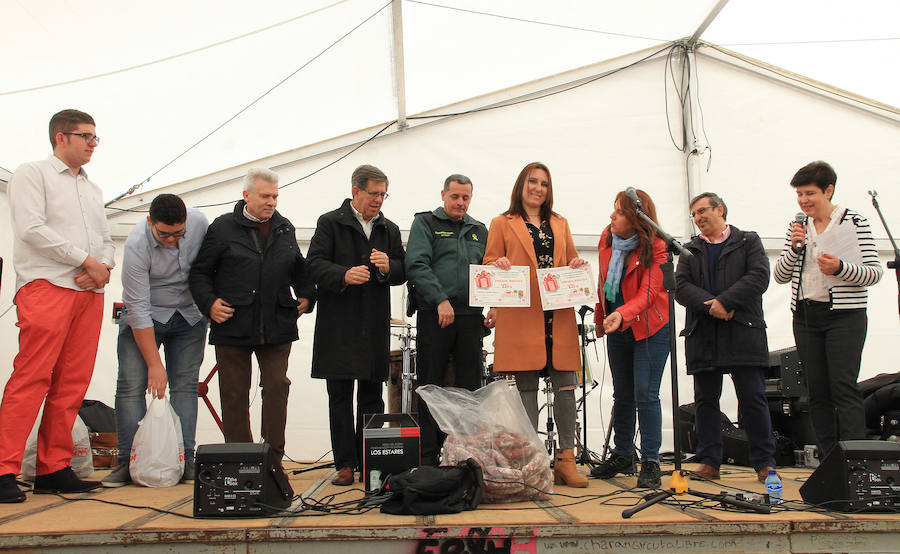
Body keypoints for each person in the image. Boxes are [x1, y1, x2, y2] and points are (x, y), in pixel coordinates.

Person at [0, 109, 114, 502]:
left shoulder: (93, 189)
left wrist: (102, 267)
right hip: (47, 285)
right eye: (86, 136)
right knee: (33, 376)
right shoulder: (32, 173)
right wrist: (85, 261)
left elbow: (106, 238)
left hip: (88, 292)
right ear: (60, 137)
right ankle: (3, 467)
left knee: (72, 381)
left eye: (96, 137)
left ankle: (53, 466)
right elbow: (31, 229)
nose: (92, 144)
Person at [189, 168, 314, 467]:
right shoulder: (221, 228)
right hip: (233, 324)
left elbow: (299, 268)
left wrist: (308, 296)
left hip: (277, 325)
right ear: (246, 196)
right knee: (233, 394)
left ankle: (272, 461)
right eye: (265, 196)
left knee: (276, 387)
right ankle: (240, 459)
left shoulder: (285, 228)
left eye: (275, 196)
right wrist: (209, 303)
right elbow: (199, 273)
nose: (271, 202)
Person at [483, 161, 588, 488]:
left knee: (566, 386)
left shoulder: (561, 223)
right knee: (526, 389)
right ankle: (533, 462)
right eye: (532, 181)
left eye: (544, 183)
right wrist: (496, 263)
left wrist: (576, 264)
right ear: (521, 185)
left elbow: (570, 259)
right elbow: (488, 263)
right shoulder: (502, 222)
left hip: (557, 314)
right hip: (521, 315)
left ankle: (566, 460)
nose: (538, 188)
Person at [774, 161, 883, 458]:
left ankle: (855, 459)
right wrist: (795, 249)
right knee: (817, 391)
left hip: (845, 316)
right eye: (799, 194)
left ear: (829, 190)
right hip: (807, 315)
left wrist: (840, 268)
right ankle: (829, 458)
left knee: (843, 387)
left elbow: (873, 273)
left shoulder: (854, 222)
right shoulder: (798, 226)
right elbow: (781, 276)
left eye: (810, 193)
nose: (804, 200)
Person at [102, 194, 209, 487]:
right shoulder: (137, 245)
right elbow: (136, 308)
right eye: (164, 234)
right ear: (150, 222)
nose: (173, 240)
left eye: (179, 234)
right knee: (130, 386)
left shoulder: (199, 222)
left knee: (185, 387)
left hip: (189, 316)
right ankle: (128, 461)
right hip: (146, 316)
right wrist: (154, 364)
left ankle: (186, 459)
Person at [307, 164, 405, 486]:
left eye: (383, 194)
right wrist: (343, 275)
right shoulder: (329, 223)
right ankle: (345, 463)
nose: (379, 200)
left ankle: (371, 460)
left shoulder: (388, 229)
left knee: (371, 396)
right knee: (339, 395)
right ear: (356, 192)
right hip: (338, 324)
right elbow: (315, 265)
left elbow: (403, 270)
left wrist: (389, 266)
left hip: (373, 323)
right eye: (374, 194)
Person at [675, 192, 777, 483]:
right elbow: (681, 287)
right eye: (694, 214)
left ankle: (764, 462)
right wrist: (712, 306)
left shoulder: (748, 241)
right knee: (706, 400)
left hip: (743, 330)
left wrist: (726, 302)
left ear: (720, 209)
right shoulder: (689, 249)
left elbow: (758, 277)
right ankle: (709, 460)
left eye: (702, 211)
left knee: (752, 397)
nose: (698, 218)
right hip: (704, 334)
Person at [405, 174, 488, 466]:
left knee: (470, 388)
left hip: (470, 318)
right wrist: (440, 299)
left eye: (466, 197)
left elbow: (488, 271)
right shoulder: (425, 223)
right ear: (443, 195)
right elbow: (416, 264)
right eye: (455, 196)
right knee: (431, 386)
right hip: (435, 315)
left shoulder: (480, 229)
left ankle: (465, 456)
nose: (460, 203)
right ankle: (427, 456)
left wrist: (495, 306)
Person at [590, 189, 669, 489]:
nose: (612, 216)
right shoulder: (606, 239)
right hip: (619, 326)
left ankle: (650, 460)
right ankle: (623, 453)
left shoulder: (657, 245)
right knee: (622, 394)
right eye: (614, 210)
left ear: (637, 218)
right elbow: (603, 283)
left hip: (650, 328)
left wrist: (622, 314)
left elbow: (651, 292)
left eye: (620, 212)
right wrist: (601, 316)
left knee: (645, 395)